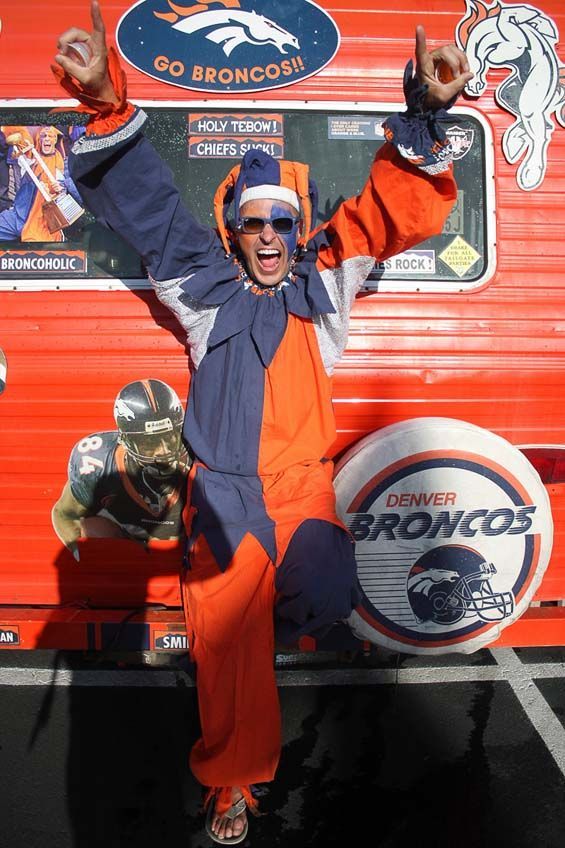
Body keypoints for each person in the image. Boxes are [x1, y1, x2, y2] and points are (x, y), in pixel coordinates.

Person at [54, 2, 472, 842]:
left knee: (323, 588)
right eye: (254, 221)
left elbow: (388, 216)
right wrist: (107, 104)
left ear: (298, 224)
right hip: (227, 499)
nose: (270, 234)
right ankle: (233, 780)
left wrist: (426, 114)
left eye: (283, 219)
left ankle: (253, 646)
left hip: (300, 488)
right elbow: (153, 214)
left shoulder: (328, 287)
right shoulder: (200, 291)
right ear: (234, 228)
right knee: (227, 644)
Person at [52, 379, 189, 559]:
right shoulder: (100, 462)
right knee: (93, 528)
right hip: (130, 545)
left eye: (169, 437)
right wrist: (82, 558)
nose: (163, 451)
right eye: (150, 442)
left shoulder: (198, 452)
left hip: (190, 544)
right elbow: (65, 514)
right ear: (126, 440)